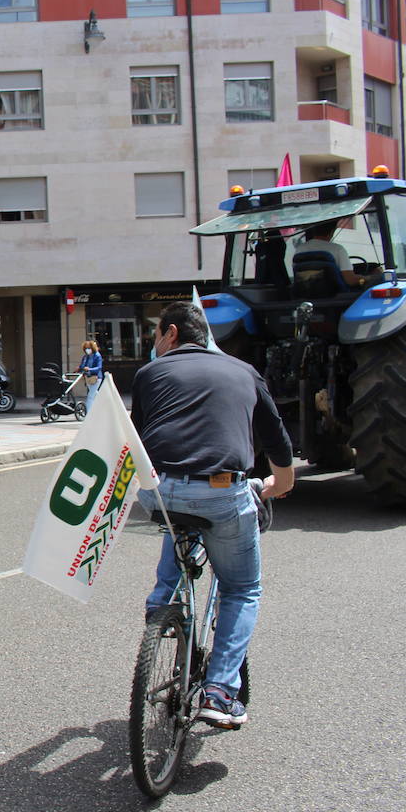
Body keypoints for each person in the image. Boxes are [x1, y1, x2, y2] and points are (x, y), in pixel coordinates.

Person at [131, 301, 295, 729]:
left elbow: (138, 436)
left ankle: (162, 602)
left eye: (155, 337)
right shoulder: (244, 372)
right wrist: (282, 480)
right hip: (223, 489)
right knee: (242, 589)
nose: (154, 345)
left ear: (170, 333)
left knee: (177, 511)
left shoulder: (149, 374)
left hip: (160, 490)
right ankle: (220, 693)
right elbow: (275, 436)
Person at [295, 219, 364, 287]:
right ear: (332, 231)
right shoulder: (338, 249)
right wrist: (367, 278)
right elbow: (350, 281)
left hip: (306, 295)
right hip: (336, 295)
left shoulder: (300, 249)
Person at [78, 339, 104, 413]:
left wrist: (89, 369)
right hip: (88, 378)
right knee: (95, 394)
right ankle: (103, 406)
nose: (87, 350)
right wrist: (80, 368)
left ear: (92, 348)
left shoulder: (97, 356)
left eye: (89, 348)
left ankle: (88, 413)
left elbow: (99, 367)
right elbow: (82, 365)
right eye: (86, 348)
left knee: (90, 396)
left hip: (96, 378)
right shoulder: (86, 357)